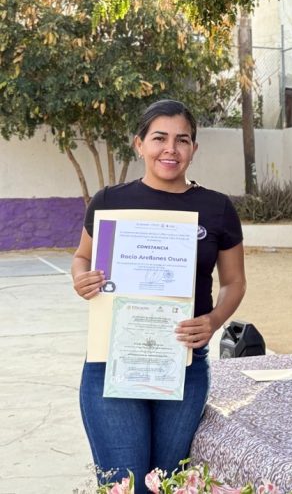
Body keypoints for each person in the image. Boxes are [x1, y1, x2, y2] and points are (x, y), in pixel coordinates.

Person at [71, 100, 246, 491]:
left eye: (182, 140)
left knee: (166, 483)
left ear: (194, 148)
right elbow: (82, 257)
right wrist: (81, 279)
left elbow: (234, 282)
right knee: (126, 483)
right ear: (139, 144)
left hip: (182, 362)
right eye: (159, 138)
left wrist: (213, 321)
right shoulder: (109, 202)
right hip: (112, 360)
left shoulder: (216, 208)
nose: (171, 149)